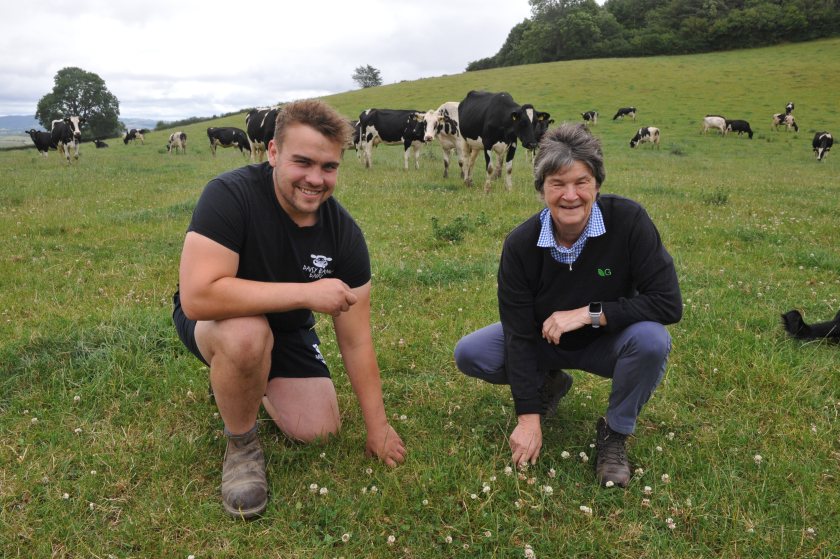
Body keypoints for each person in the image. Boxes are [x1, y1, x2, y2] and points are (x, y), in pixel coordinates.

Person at [173, 99, 406, 519]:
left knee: (318, 430)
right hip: (219, 320)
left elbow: (356, 340)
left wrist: (378, 427)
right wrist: (305, 294)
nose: (316, 179)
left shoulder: (344, 235)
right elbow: (198, 297)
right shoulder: (229, 195)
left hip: (288, 328)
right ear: (273, 152)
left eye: (329, 167)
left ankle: (243, 381)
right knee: (246, 337)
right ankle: (242, 445)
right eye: (303, 162)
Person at [454, 123, 681, 488]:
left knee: (652, 340)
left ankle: (614, 435)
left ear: (597, 185)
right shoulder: (521, 245)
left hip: (609, 342)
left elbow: (668, 303)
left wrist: (591, 313)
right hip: (545, 342)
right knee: (471, 352)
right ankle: (549, 383)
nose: (570, 195)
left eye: (582, 182)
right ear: (541, 188)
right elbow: (517, 333)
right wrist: (528, 417)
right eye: (557, 183)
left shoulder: (628, 221)